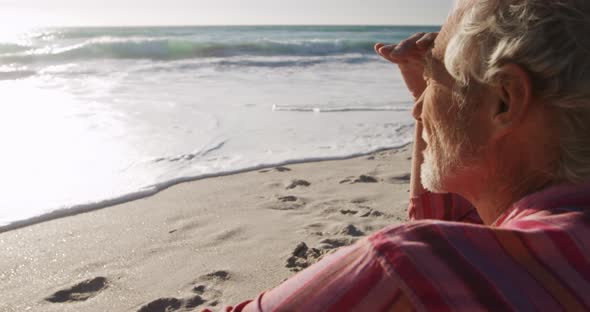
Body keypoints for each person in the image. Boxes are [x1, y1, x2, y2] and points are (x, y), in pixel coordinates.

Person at [205, 0, 590, 310]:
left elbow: (440, 261)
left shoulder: (407, 266)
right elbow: (477, 237)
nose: (417, 109)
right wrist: (447, 100)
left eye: (433, 79)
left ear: (505, 99)